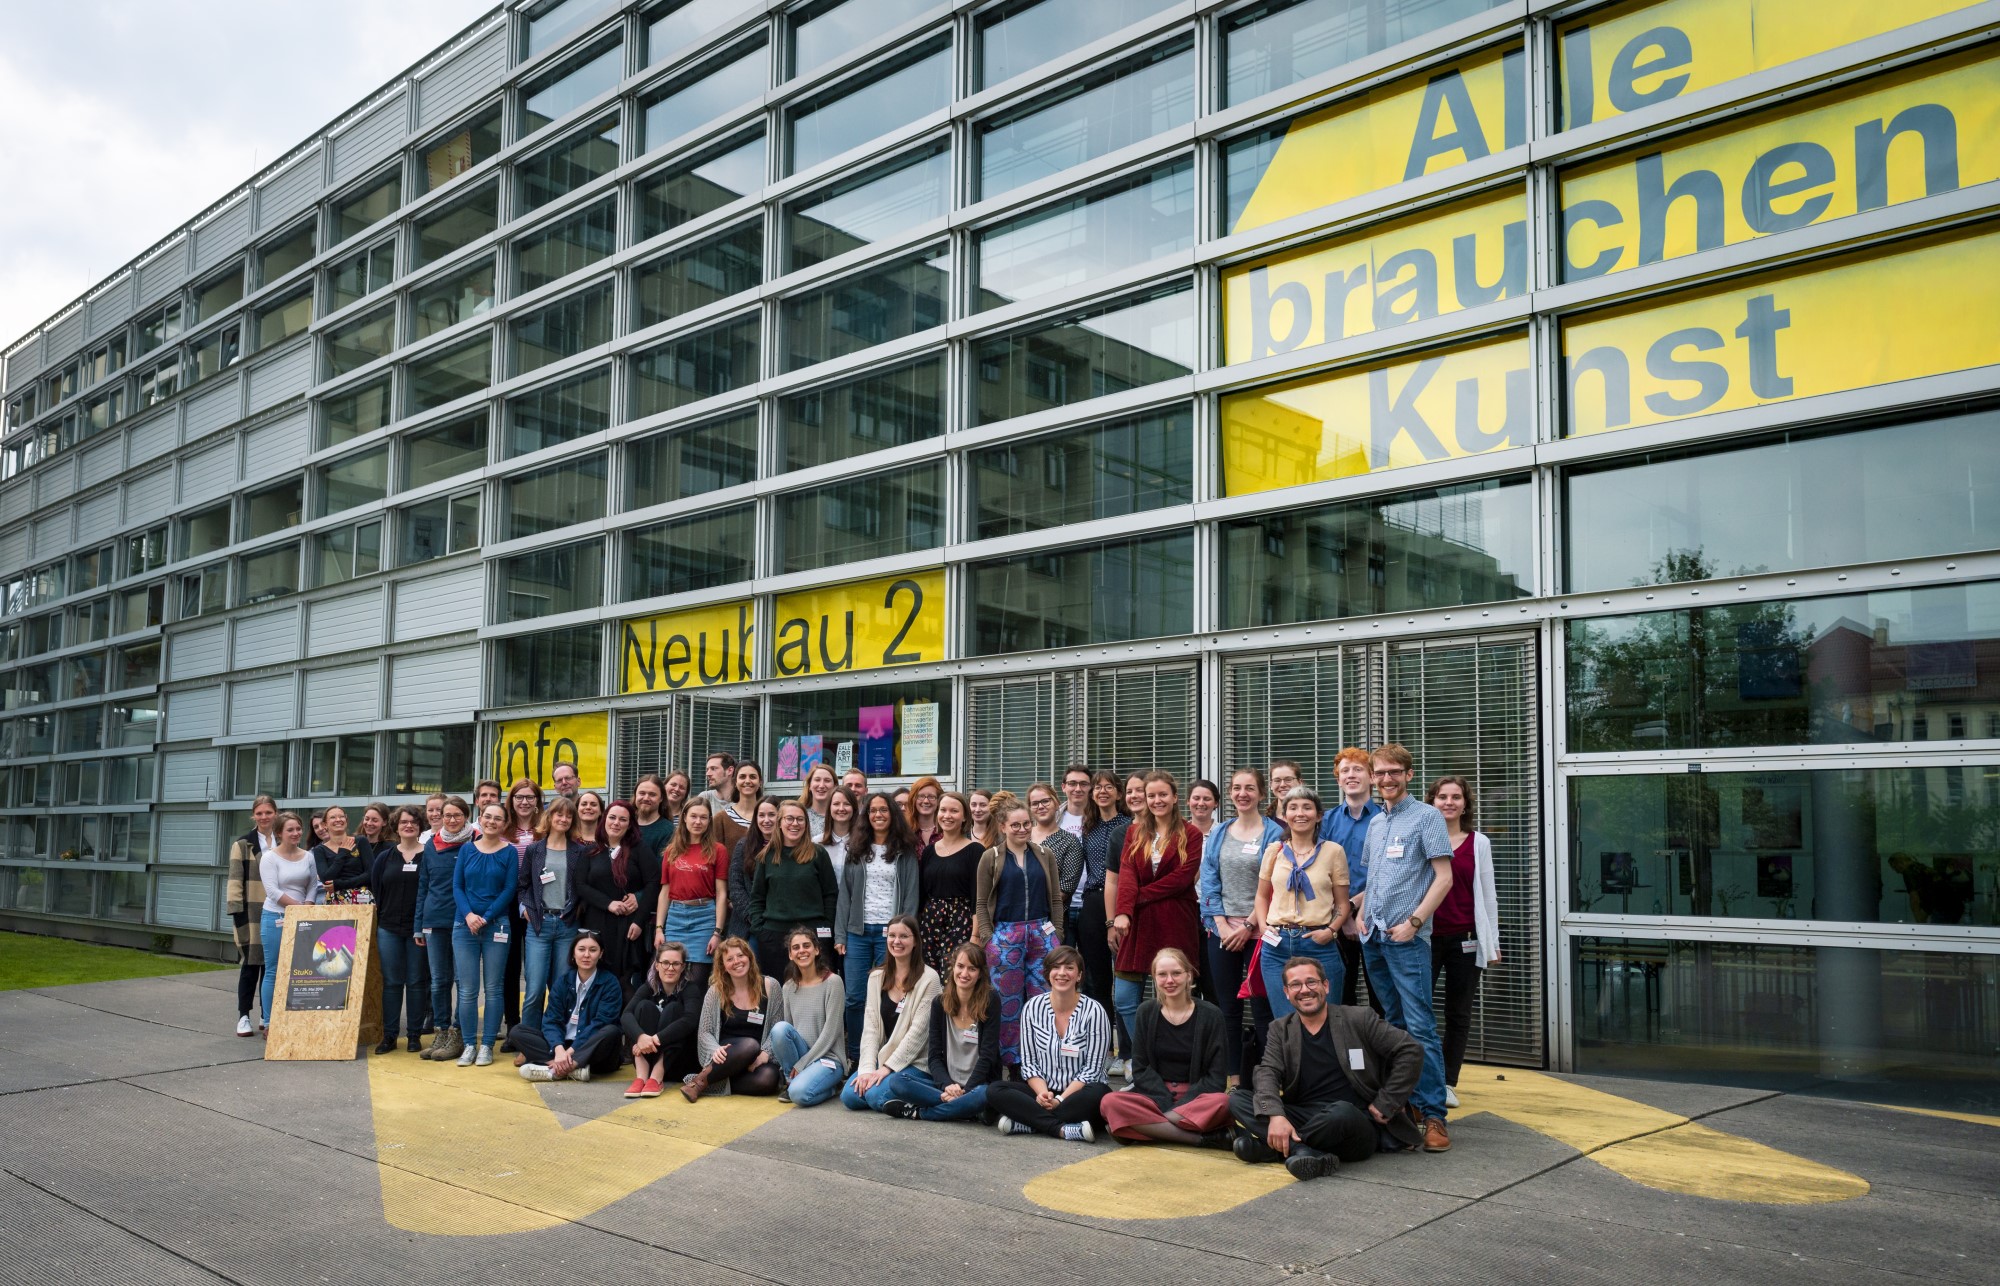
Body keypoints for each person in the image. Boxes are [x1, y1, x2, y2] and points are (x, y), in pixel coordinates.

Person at [1228, 956, 1427, 1180]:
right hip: (1306, 1115)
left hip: (1355, 1121)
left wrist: (1388, 1101)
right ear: (1286, 992)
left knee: (1341, 1111)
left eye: (1311, 982)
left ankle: (1274, 1148)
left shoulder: (1359, 1018)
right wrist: (1275, 1115)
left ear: (1326, 985)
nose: (1305, 990)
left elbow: (1410, 1050)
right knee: (1237, 1099)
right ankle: (1302, 1151)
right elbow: (1268, 1072)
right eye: (1296, 985)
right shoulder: (1279, 1028)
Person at [1354, 744, 1455, 1152]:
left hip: (1406, 939)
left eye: (1395, 772)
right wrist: (1356, 913)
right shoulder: (1377, 823)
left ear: (1409, 775)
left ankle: (1435, 1116)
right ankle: (1407, 1105)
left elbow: (1443, 878)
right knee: (1393, 1026)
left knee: (1420, 1027)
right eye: (1380, 773)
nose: (1387, 779)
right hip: (1374, 937)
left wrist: (1414, 923)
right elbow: (1374, 880)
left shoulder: (1427, 817)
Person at [1111, 772, 1204, 1057]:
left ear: (1175, 797)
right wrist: (1123, 911)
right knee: (1125, 998)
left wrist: (1137, 897)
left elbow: (1182, 879)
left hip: (1175, 920)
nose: (1156, 800)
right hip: (1137, 923)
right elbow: (1126, 875)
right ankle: (1145, 1056)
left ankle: (1177, 1056)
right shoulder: (1133, 833)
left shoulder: (1191, 833)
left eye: (1163, 794)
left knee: (1177, 993)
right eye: (1151, 795)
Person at [1100, 948, 1230, 1145]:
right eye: (1162, 974)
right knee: (1109, 1102)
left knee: (1224, 1102)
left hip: (1198, 1099)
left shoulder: (1211, 1015)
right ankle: (1201, 1139)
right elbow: (1141, 1069)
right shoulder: (1146, 1011)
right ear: (1154, 977)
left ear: (1189, 975)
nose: (1170, 980)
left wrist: (1178, 1108)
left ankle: (1141, 1128)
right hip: (1155, 1096)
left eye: (1176, 973)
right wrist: (1165, 1103)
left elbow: (1217, 1078)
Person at [1199, 769, 1282, 1079]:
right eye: (1236, 788)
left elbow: (1275, 885)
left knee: (1263, 1006)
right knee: (1226, 1008)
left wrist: (1247, 926)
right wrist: (1220, 925)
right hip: (1220, 931)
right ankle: (1233, 1075)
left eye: (1250, 788)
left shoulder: (1274, 833)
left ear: (1262, 794)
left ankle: (1265, 1076)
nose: (1242, 793)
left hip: (1260, 931)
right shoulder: (1220, 832)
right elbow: (1209, 880)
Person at [1426, 775, 1500, 1109]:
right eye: (1443, 796)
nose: (1449, 802)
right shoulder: (1422, 838)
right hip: (1425, 937)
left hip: (1465, 939)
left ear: (1465, 804)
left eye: (1456, 797)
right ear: (1432, 801)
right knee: (1419, 1011)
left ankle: (1447, 1081)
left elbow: (1488, 895)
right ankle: (1421, 1077)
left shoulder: (1478, 842)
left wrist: (1492, 941)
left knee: (1458, 1013)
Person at [986, 946, 1111, 1141]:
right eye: (1056, 967)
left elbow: (1092, 1070)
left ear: (1079, 975)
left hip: (1079, 1094)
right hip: (1043, 1092)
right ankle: (1062, 1129)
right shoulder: (1032, 1008)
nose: (1062, 973)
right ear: (1047, 973)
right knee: (995, 1090)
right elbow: (1029, 1064)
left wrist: (1060, 1100)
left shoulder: (1095, 1011)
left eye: (1069, 968)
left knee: (1101, 1095)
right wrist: (1043, 1094)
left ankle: (1031, 1124)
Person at [974, 803, 1062, 1071]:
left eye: (1026, 823)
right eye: (1015, 825)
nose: (1022, 829)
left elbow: (1056, 898)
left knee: (1044, 1000)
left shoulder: (1044, 854)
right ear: (1003, 827)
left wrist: (1056, 934)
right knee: (1008, 1004)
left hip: (1041, 933)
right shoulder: (990, 857)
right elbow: (980, 903)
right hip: (1005, 935)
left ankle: (1043, 1063)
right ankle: (1012, 1065)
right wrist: (990, 939)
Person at [836, 791, 920, 1061]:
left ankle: (884, 1057)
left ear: (892, 814)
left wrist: (904, 935)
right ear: (866, 815)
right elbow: (845, 895)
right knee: (855, 999)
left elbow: (910, 894)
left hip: (891, 934)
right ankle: (856, 1058)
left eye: (884, 810)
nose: (878, 815)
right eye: (873, 811)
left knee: (889, 999)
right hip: (858, 933)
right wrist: (841, 935)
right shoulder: (857, 848)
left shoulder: (905, 851)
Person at [1254, 785, 1351, 1016]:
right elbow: (1260, 896)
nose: (1300, 813)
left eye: (1307, 808)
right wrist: (1263, 927)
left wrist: (1331, 930)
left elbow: (1343, 903)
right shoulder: (1274, 851)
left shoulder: (1333, 851)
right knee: (1284, 1020)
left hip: (1318, 943)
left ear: (1318, 816)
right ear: (1284, 815)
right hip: (1277, 945)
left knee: (1327, 1016)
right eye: (1293, 808)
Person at [877, 941, 1000, 1123]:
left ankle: (919, 1113)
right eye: (960, 966)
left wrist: (966, 1091)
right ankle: (964, 1109)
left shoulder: (991, 1000)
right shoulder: (940, 1003)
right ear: (952, 967)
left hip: (977, 1086)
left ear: (981, 973)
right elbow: (934, 1057)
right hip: (946, 1087)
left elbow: (988, 1056)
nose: (964, 974)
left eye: (972, 969)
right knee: (898, 1081)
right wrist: (948, 1086)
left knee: (984, 1094)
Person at [841, 915, 941, 1113]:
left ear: (915, 942)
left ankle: (924, 1098)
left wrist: (887, 1068)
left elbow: (918, 1034)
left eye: (904, 936)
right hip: (883, 1060)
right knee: (850, 1097)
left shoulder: (930, 979)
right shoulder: (876, 978)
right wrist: (868, 1070)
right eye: (892, 935)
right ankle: (900, 1098)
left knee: (873, 1095)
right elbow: (870, 1030)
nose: (897, 941)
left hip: (916, 1063)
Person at [452, 802, 520, 1067]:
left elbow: (509, 889)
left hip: (497, 925)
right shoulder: (467, 849)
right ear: (480, 819)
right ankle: (469, 1044)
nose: (491, 821)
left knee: (493, 988)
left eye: (497, 819)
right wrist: (469, 915)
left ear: (504, 824)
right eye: (487, 817)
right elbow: (457, 886)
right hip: (464, 926)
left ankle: (487, 1045)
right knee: (467, 990)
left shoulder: (510, 852)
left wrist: (486, 917)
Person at [681, 937, 785, 1100]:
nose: (737, 961)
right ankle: (699, 1082)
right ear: (723, 967)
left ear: (750, 957)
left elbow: (777, 1028)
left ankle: (714, 1082)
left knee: (769, 1079)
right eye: (730, 959)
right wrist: (715, 1049)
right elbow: (705, 1032)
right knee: (750, 1044)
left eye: (740, 955)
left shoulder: (771, 986)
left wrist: (765, 1054)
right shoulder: (716, 991)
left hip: (757, 1057)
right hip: (726, 1054)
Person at [1319, 747, 1383, 1011]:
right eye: (1345, 770)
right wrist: (1343, 917)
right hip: (1335, 921)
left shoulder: (1386, 818)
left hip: (1379, 919)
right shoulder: (1326, 821)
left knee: (1381, 996)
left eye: (1358, 769)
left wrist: (1358, 910)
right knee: (1340, 996)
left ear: (1371, 777)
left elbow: (1390, 874)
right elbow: (1321, 871)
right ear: (1338, 779)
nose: (1351, 775)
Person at [518, 796, 582, 1058]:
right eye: (559, 814)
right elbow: (523, 886)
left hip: (566, 925)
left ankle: (557, 1042)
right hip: (539, 926)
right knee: (533, 990)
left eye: (568, 816)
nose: (563, 819)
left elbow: (582, 888)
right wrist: (525, 911)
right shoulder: (535, 850)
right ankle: (527, 1043)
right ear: (550, 817)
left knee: (560, 988)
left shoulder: (579, 851)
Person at [514, 932, 624, 1082]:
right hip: (563, 1046)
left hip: (592, 1049)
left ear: (601, 954)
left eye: (593, 950)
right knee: (517, 1032)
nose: (586, 955)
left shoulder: (610, 983)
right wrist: (559, 1049)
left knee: (612, 1031)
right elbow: (551, 1020)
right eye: (581, 949)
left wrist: (571, 1052)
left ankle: (554, 1070)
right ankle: (572, 1070)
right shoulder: (563, 982)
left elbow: (600, 1024)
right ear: (573, 953)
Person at [749, 801, 840, 979]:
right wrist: (760, 930)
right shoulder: (766, 856)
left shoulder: (818, 854)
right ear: (780, 823)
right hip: (774, 937)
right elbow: (757, 898)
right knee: (778, 991)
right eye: (789, 818)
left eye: (800, 819)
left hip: (813, 935)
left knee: (816, 988)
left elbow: (830, 895)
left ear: (806, 824)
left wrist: (825, 927)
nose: (795, 824)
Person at [1075, 772, 1129, 1071]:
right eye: (1098, 787)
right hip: (1093, 902)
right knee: (1096, 980)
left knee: (1124, 978)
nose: (1103, 791)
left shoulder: (1128, 826)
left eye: (1109, 787)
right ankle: (1104, 1047)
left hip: (1123, 901)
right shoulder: (1089, 826)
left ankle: (1127, 1052)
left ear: (1119, 793)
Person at [415, 797, 474, 1061]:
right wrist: (419, 925)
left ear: (466, 816)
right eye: (446, 815)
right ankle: (441, 1030)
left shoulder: (475, 842)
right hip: (434, 920)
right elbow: (423, 886)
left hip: (463, 920)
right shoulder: (431, 844)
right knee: (439, 981)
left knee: (462, 981)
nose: (451, 820)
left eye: (457, 815)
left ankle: (458, 1033)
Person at [369, 805, 430, 1053]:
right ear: (396, 825)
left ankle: (414, 1035)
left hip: (418, 930)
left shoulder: (429, 855)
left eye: (414, 822)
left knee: (416, 982)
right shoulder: (385, 857)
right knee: (392, 982)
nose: (409, 826)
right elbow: (376, 890)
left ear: (420, 826)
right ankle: (390, 1036)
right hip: (389, 928)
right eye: (404, 822)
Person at [652, 797, 730, 991]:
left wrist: (717, 932)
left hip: (704, 917)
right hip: (676, 918)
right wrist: (659, 928)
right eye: (693, 816)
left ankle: (695, 1020)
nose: (698, 822)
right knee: (670, 977)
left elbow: (721, 894)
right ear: (684, 818)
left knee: (696, 980)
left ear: (709, 821)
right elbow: (665, 892)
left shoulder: (717, 850)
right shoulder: (672, 851)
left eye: (703, 817)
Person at [766, 927, 848, 1106]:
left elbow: (831, 1034)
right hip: (803, 1058)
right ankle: (791, 1080)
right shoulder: (788, 987)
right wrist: (797, 1064)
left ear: (816, 950)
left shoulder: (833, 982)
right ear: (790, 955)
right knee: (779, 1029)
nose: (801, 951)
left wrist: (802, 1064)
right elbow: (788, 1032)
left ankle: (832, 1086)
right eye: (796, 947)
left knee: (799, 1095)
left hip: (829, 1059)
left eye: (806, 946)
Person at [580, 801, 655, 995]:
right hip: (597, 923)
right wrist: (608, 904)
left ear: (630, 824)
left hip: (629, 926)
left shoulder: (639, 849)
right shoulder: (590, 851)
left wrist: (639, 921)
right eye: (612, 817)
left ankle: (622, 1023)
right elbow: (581, 886)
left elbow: (654, 883)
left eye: (623, 819)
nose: (616, 823)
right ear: (604, 820)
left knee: (624, 981)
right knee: (596, 974)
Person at [257, 812, 324, 1029]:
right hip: (276, 917)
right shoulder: (269, 857)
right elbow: (273, 891)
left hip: (304, 917)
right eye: (290, 830)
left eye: (298, 829)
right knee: (274, 970)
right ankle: (269, 1022)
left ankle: (297, 1018)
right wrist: (298, 909)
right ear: (279, 833)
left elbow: (313, 885)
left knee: (303, 970)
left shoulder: (308, 856)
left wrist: (308, 906)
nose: (296, 833)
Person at [225, 795, 278, 1036]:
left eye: (268, 812)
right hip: (252, 913)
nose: (264, 817)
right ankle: (243, 1015)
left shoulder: (283, 839)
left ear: (275, 813)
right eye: (259, 813)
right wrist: (237, 914)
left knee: (272, 967)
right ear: (253, 816)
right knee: (250, 965)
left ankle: (267, 1015)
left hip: (278, 911)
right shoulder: (243, 844)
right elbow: (235, 880)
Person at [622, 942, 701, 1097]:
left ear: (683, 967)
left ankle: (657, 1077)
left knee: (674, 1009)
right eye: (665, 963)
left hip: (677, 1062)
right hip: (648, 1055)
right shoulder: (648, 986)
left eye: (676, 964)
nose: (670, 968)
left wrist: (654, 1039)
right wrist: (641, 1037)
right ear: (657, 965)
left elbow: (690, 1020)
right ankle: (641, 1077)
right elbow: (626, 1015)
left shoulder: (690, 988)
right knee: (644, 1006)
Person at [499, 779, 544, 1043]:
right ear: (511, 800)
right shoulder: (502, 830)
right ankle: (513, 1028)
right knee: (510, 966)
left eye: (530, 797)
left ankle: (536, 1026)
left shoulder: (546, 829)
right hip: (507, 902)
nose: (524, 802)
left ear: (537, 800)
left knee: (537, 970)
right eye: (519, 797)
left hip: (538, 903)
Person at [916, 792, 980, 976]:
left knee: (954, 976)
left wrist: (975, 936)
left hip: (961, 921)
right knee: (929, 977)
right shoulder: (929, 851)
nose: (947, 815)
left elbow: (978, 897)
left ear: (965, 816)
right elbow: (921, 894)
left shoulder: (975, 851)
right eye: (943, 810)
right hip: (930, 922)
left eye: (954, 811)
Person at [1025, 782, 1084, 921]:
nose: (1040, 806)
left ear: (1057, 803)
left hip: (1051, 920)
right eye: (1035, 803)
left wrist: (1030, 907)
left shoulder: (1069, 842)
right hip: (1014, 921)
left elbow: (1065, 889)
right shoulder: (1020, 837)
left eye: (1045, 801)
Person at [310, 805, 369, 902]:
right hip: (335, 901)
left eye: (341, 816)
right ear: (325, 824)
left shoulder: (360, 841)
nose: (338, 819)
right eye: (333, 817)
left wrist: (339, 884)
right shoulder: (320, 850)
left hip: (361, 898)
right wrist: (342, 853)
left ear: (346, 820)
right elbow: (326, 879)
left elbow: (370, 874)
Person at [716, 761, 765, 849]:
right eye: (742, 777)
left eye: (752, 777)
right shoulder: (721, 819)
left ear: (760, 782)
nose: (747, 781)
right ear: (735, 782)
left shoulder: (770, 816)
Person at [819, 786, 858, 883]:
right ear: (829, 808)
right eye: (836, 804)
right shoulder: (816, 843)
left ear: (854, 808)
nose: (841, 808)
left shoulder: (864, 843)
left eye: (846, 804)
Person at [632, 775, 675, 860]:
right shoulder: (625, 824)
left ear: (661, 798)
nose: (646, 798)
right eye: (642, 793)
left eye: (652, 794)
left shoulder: (668, 831)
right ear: (635, 795)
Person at [799, 764, 837, 838]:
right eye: (817, 780)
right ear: (809, 785)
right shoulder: (800, 815)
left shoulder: (841, 815)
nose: (822, 785)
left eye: (827, 780)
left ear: (835, 786)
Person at [904, 776, 942, 849]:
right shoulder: (905, 831)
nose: (926, 801)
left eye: (931, 797)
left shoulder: (945, 830)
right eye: (921, 796)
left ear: (938, 801)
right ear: (913, 800)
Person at [1057, 765, 1093, 840]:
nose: (1078, 789)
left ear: (1091, 787)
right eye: (1072, 783)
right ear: (1063, 787)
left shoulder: (1100, 817)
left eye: (1083, 784)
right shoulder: (1053, 817)